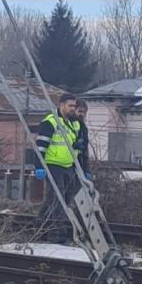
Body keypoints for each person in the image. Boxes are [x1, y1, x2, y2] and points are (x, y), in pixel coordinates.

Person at [34, 93, 90, 244]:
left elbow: (79, 150)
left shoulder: (74, 124)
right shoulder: (50, 122)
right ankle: (57, 234)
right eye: (70, 106)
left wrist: (84, 169)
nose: (73, 109)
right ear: (61, 105)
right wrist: (38, 166)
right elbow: (40, 146)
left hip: (68, 166)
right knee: (57, 200)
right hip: (53, 165)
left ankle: (40, 227)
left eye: (74, 106)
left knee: (64, 200)